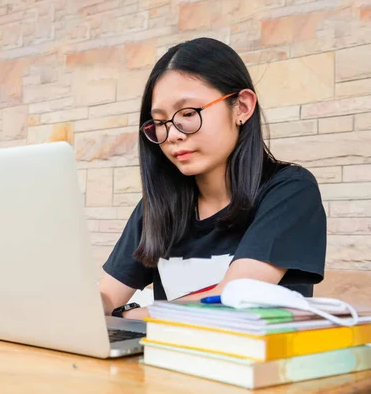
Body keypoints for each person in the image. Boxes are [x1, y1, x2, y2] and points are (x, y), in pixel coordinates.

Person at [99, 37, 326, 320]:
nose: (173, 134)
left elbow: (233, 297)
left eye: (188, 113)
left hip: (256, 362)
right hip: (167, 362)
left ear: (242, 107)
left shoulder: (289, 191)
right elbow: (107, 295)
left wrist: (126, 317)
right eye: (159, 122)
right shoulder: (158, 208)